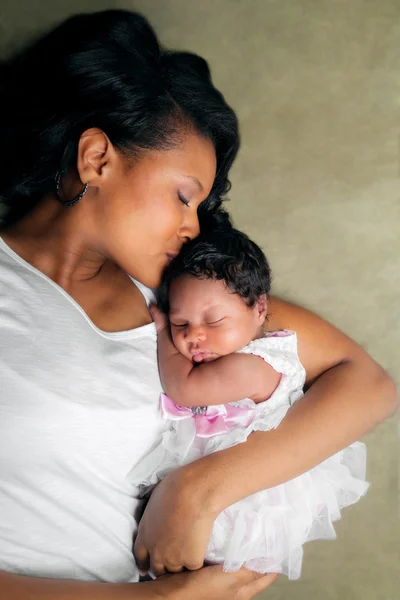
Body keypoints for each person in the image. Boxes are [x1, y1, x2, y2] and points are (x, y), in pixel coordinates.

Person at [0, 8, 397, 600]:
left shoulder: (184, 304)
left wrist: (197, 490)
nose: (193, 226)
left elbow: (368, 386)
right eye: (184, 197)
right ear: (96, 158)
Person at [130, 225, 370, 580]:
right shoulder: (238, 349)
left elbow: (184, 388)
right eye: (182, 321)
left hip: (238, 501)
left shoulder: (254, 366)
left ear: (260, 309)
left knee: (188, 562)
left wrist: (165, 331)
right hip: (219, 486)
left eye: (213, 320)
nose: (194, 335)